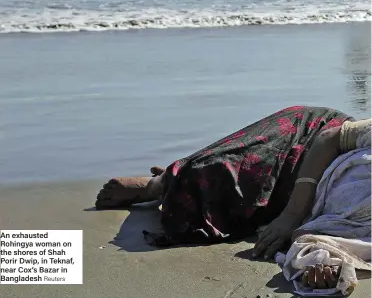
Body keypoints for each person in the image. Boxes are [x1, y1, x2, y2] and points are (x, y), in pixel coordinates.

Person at [95, 106, 371, 290]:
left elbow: (344, 244)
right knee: (204, 171)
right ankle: (156, 184)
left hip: (298, 202)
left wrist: (326, 266)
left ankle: (172, 178)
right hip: (311, 144)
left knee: (193, 218)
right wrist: (291, 214)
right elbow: (330, 137)